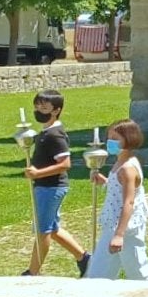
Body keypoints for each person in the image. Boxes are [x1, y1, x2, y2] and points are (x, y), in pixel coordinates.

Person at [21, 90, 90, 277]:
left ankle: (33, 273)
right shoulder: (45, 132)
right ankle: (84, 258)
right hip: (45, 186)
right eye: (37, 105)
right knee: (52, 228)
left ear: (56, 110)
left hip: (50, 187)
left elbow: (65, 164)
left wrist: (38, 173)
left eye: (44, 106)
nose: (39, 109)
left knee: (42, 230)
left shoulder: (55, 135)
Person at [84, 119, 148, 280]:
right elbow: (118, 190)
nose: (110, 142)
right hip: (113, 223)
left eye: (115, 138)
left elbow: (129, 201)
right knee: (100, 271)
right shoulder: (120, 163)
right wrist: (105, 181)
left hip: (125, 226)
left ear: (129, 139)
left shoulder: (127, 168)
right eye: (109, 138)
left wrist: (119, 234)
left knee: (139, 272)